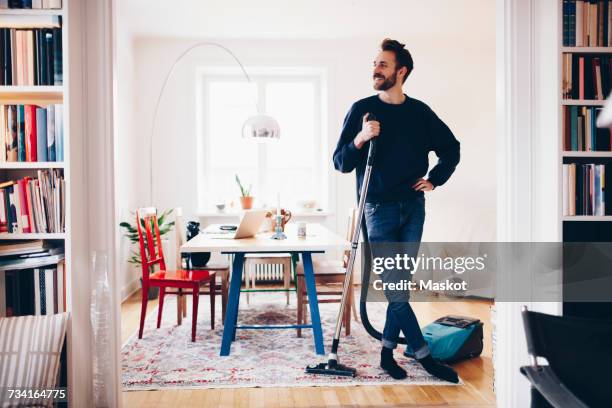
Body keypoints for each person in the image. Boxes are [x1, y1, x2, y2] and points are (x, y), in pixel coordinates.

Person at [332, 38, 460, 383]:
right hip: (377, 210)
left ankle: (387, 355)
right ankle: (423, 355)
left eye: (383, 64)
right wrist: (360, 138)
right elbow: (340, 162)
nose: (376, 69)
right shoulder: (363, 109)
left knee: (398, 285)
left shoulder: (420, 113)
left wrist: (435, 179)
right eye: (375, 64)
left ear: (401, 72)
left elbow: (451, 148)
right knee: (396, 288)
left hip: (413, 208)